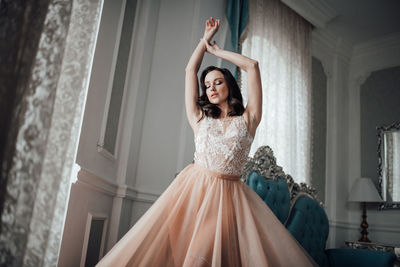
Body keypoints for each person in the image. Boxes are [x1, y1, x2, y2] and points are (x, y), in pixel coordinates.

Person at [96, 17, 316, 267]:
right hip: (192, 195)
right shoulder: (199, 119)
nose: (211, 88)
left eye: (218, 82)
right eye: (207, 85)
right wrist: (204, 40)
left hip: (228, 199)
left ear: (229, 86)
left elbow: (253, 66)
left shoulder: (248, 119)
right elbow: (190, 71)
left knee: (203, 257)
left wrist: (218, 52)